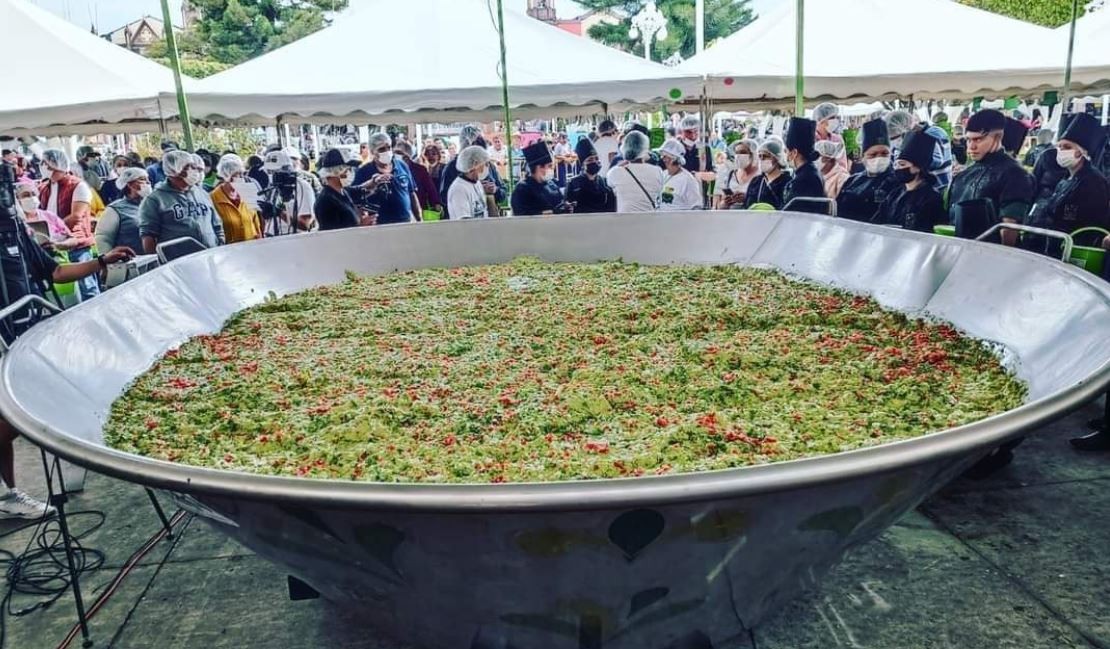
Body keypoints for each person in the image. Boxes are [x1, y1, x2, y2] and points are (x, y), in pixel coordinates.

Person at [0, 229, 134, 519]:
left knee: (14, 418)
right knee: (8, 420)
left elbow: (57, 272)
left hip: (22, 335)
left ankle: (9, 494)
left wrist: (102, 262)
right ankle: (8, 494)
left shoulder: (14, 235)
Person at [947, 109, 1034, 246]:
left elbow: (1010, 226)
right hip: (957, 249)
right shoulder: (964, 174)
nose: (971, 146)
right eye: (968, 140)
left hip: (992, 255)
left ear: (998, 137)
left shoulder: (1015, 174)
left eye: (978, 139)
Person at [1026, 113, 1109, 252]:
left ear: (1081, 152)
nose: (1060, 151)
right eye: (1059, 146)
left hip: (1073, 250)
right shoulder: (1066, 178)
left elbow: (1092, 223)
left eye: (1067, 147)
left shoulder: (1094, 181)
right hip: (1054, 245)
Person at [139, 149, 225, 254]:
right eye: (189, 167)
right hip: (178, 263)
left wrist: (220, 244)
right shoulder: (154, 200)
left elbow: (216, 225)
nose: (195, 171)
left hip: (210, 257)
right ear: (175, 170)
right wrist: (158, 263)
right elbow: (148, 236)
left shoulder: (202, 193)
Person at [38, 149, 98, 300]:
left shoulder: (78, 186)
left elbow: (76, 216)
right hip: (54, 245)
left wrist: (55, 230)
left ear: (54, 164)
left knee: (87, 288)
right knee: (66, 292)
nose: (41, 166)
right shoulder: (45, 188)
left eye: (44, 163)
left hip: (77, 244)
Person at [876, 129, 946, 233]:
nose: (898, 168)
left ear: (918, 167)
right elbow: (877, 221)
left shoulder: (932, 199)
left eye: (902, 164)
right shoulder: (894, 194)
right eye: (896, 164)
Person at [837, 119, 899, 223]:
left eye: (884, 154)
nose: (879, 158)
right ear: (863, 157)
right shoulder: (853, 181)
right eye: (873, 155)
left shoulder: (897, 182)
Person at [351, 133, 421, 225]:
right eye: (381, 149)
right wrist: (361, 221)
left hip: (405, 223)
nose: (387, 151)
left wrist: (419, 219)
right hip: (379, 227)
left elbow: (411, 193)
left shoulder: (402, 166)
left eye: (389, 147)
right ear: (372, 152)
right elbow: (355, 200)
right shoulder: (363, 172)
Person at [439, 126, 505, 219]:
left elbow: (503, 193)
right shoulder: (455, 178)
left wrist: (495, 190)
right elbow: (465, 222)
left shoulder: (482, 175)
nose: (485, 165)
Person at [885, 110, 953, 188]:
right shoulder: (903, 144)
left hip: (939, 187)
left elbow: (936, 161)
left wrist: (906, 157)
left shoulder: (935, 132)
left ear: (905, 130)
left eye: (895, 137)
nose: (895, 142)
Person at [314, 148, 376, 231]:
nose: (351, 173)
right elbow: (332, 237)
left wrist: (374, 182)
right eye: (348, 170)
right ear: (336, 172)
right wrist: (361, 226)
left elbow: (360, 190)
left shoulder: (343, 191)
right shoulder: (326, 201)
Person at [606, 131, 665, 213]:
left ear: (624, 148)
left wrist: (621, 164)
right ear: (645, 149)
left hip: (625, 222)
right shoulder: (657, 171)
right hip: (650, 221)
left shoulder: (615, 173)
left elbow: (609, 183)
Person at [15, 180, 80, 253]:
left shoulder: (49, 216)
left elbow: (73, 240)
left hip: (56, 258)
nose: (31, 197)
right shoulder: (16, 221)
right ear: (17, 199)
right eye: (26, 195)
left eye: (33, 194)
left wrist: (59, 245)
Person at [209, 155, 262, 244]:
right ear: (227, 176)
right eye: (237, 174)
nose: (242, 178)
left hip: (252, 247)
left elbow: (257, 221)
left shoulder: (247, 191)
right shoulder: (213, 198)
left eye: (243, 174)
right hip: (229, 250)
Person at [262, 149, 317, 234]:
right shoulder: (273, 188)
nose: (270, 175)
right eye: (268, 172)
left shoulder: (302, 187)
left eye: (273, 172)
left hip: (294, 240)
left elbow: (305, 225)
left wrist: (279, 213)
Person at [95, 168, 149, 254]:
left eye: (148, 179)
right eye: (142, 179)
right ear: (129, 185)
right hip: (132, 261)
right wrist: (108, 261)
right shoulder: (116, 209)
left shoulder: (152, 205)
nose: (148, 183)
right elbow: (104, 239)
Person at [511, 142, 571, 216]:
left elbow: (560, 202)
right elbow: (521, 214)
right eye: (549, 166)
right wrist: (551, 213)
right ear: (539, 167)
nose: (552, 169)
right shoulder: (522, 189)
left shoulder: (552, 184)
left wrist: (566, 207)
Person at [782, 117, 827, 212]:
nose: (785, 155)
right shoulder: (808, 171)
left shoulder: (805, 179)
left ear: (794, 153)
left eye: (786, 151)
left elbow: (793, 212)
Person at [565, 136, 616, 214]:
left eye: (596, 158)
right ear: (582, 164)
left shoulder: (605, 182)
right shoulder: (573, 183)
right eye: (590, 160)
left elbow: (612, 208)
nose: (595, 162)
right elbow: (568, 207)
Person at [742, 138, 791, 210]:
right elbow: (746, 206)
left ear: (777, 158)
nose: (761, 159)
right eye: (759, 156)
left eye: (765, 156)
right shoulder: (756, 181)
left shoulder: (787, 182)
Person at [446, 145, 492, 220]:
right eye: (485, 164)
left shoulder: (477, 183)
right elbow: (465, 222)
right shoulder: (459, 189)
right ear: (475, 165)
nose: (487, 167)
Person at [655, 140, 703, 211]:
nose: (663, 159)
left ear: (673, 159)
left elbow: (696, 206)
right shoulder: (663, 174)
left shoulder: (688, 180)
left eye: (665, 156)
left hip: (679, 220)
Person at [395, 141, 441, 214]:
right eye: (395, 152)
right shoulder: (390, 169)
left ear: (407, 156)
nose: (395, 155)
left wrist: (436, 204)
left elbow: (430, 189)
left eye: (399, 153)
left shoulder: (420, 170)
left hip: (419, 210)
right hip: (398, 212)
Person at [713, 139, 759, 209]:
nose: (738, 155)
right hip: (732, 217)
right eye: (736, 153)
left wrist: (747, 198)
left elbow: (766, 202)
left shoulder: (761, 176)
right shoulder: (731, 175)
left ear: (753, 154)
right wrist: (725, 203)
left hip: (753, 217)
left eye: (743, 152)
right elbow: (721, 204)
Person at [812, 102, 848, 170]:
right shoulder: (810, 139)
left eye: (836, 117)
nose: (835, 120)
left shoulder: (837, 139)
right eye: (832, 117)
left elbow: (843, 165)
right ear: (820, 120)